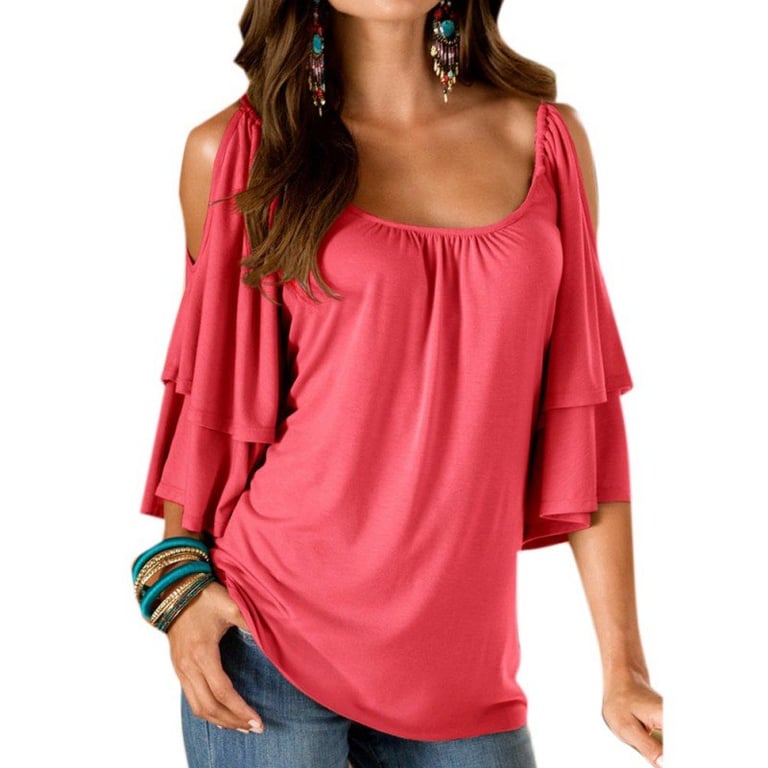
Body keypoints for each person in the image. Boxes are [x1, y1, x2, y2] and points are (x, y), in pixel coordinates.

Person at [132, 1, 664, 767]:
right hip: (268, 633)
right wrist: (175, 584)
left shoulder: (547, 143)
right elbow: (210, 393)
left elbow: (583, 411)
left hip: (464, 666)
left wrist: (624, 669)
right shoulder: (237, 150)